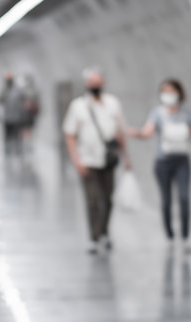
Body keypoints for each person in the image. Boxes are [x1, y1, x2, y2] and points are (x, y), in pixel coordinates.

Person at [128, 78, 191, 253]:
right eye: (165, 91)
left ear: (179, 93)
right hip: (163, 162)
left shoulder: (186, 113)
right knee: (166, 200)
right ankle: (170, 236)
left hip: (182, 161)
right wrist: (136, 133)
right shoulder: (157, 113)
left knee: (184, 198)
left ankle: (186, 237)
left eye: (171, 91)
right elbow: (147, 132)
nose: (168, 95)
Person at [62, 67, 132, 254]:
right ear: (86, 84)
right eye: (92, 83)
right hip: (87, 160)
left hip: (108, 160)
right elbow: (70, 134)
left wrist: (126, 157)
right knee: (92, 200)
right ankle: (93, 237)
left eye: (98, 82)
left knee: (108, 199)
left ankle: (104, 231)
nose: (95, 86)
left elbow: (119, 132)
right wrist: (76, 160)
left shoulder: (112, 104)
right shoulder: (78, 106)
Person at [0, 72, 26, 157]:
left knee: (17, 136)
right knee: (8, 137)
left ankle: (19, 151)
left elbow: (23, 101)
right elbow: (0, 100)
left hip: (17, 118)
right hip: (7, 118)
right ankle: (8, 152)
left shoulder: (18, 90)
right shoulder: (4, 90)